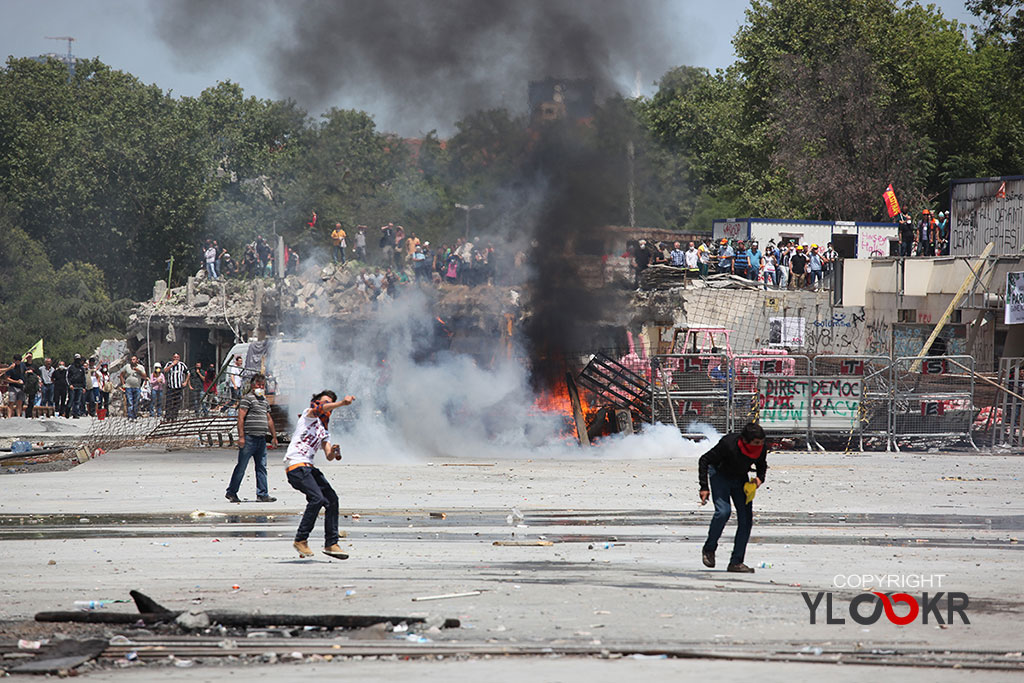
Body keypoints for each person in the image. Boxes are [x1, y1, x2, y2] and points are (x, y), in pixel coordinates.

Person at [284, 390, 356, 559]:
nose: (327, 409)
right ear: (316, 402)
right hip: (296, 465)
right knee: (317, 499)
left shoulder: (323, 430)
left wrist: (335, 452)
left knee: (332, 499)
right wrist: (341, 404)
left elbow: (329, 455)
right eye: (325, 403)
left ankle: (331, 543)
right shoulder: (308, 416)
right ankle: (301, 539)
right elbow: (319, 409)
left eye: (330, 406)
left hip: (309, 467)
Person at [698, 421, 768, 573]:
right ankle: (709, 549)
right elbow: (704, 460)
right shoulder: (729, 444)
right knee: (723, 512)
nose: (759, 446)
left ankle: (736, 562)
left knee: (746, 519)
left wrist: (759, 479)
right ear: (745, 440)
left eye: (761, 442)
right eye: (756, 443)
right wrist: (704, 487)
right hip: (719, 475)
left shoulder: (761, 448)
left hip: (740, 478)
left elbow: (761, 465)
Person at [226, 373, 278, 503]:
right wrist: (241, 437)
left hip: (261, 439)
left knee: (261, 467)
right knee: (241, 467)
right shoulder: (247, 399)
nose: (261, 387)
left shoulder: (264, 401)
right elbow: (241, 418)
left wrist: (274, 436)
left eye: (262, 385)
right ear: (252, 386)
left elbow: (269, 419)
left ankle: (262, 494)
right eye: (258, 385)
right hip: (249, 439)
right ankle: (231, 492)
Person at [120, 355, 147, 420]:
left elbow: (145, 376)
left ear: (137, 360)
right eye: (132, 359)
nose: (133, 361)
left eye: (134, 359)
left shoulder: (141, 367)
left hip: (137, 387)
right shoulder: (127, 366)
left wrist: (138, 371)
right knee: (130, 402)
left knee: (136, 402)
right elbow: (121, 375)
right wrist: (123, 383)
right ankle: (130, 416)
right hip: (128, 387)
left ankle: (135, 415)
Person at [164, 353, 188, 421]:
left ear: (179, 358)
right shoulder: (169, 364)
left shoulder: (182, 365)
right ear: (173, 358)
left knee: (177, 402)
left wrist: (185, 382)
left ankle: (174, 416)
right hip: (170, 386)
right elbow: (165, 371)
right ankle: (168, 416)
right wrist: (172, 365)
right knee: (169, 402)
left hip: (178, 387)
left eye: (177, 357)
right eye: (175, 357)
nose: (176, 358)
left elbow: (188, 373)